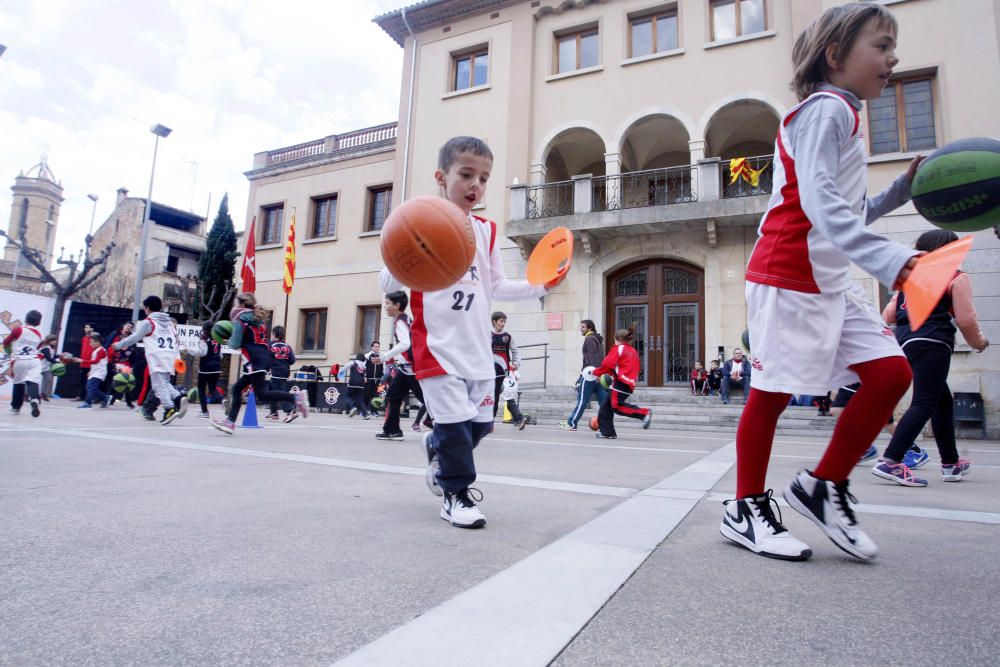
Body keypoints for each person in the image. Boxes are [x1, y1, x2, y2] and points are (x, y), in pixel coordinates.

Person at [719, 2, 923, 562]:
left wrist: (897, 196)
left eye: (891, 46)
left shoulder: (846, 116)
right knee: (771, 393)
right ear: (835, 55)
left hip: (829, 279)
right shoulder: (824, 110)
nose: (892, 57)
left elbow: (845, 212)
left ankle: (821, 485)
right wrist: (889, 260)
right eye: (880, 45)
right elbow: (818, 203)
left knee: (889, 374)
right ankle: (744, 507)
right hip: (786, 273)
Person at [379, 135, 560, 529]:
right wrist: (401, 245)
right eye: (466, 175)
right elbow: (387, 280)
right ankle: (455, 493)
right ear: (441, 177)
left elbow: (498, 285)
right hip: (437, 348)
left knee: (478, 426)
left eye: (483, 178)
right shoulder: (419, 221)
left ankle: (436, 447)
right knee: (455, 426)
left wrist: (542, 285)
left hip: (477, 351)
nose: (475, 185)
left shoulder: (487, 231)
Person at [872, 229, 990, 487]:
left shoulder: (908, 281)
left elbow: (887, 316)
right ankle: (891, 461)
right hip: (933, 343)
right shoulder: (956, 278)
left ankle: (951, 463)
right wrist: (979, 342)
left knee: (941, 401)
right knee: (924, 403)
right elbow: (967, 320)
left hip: (906, 345)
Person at [210, 293, 307, 434]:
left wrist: (224, 339)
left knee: (262, 394)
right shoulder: (258, 320)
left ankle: (296, 397)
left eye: (237, 304)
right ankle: (230, 422)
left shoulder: (241, 320)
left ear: (242, 305)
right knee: (237, 389)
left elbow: (235, 344)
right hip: (262, 358)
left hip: (254, 360)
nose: (236, 307)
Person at [113, 296, 189, 425]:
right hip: (170, 355)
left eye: (145, 308)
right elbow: (176, 340)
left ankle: (169, 409)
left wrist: (119, 345)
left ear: (147, 308)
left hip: (158, 356)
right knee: (164, 383)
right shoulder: (169, 322)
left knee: (158, 386)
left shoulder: (148, 322)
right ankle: (177, 398)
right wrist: (177, 357)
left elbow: (135, 337)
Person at [375, 290, 424, 440]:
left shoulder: (401, 321)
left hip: (411, 369)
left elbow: (405, 343)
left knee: (427, 399)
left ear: (397, 305)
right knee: (393, 396)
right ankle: (392, 430)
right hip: (405, 368)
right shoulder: (404, 319)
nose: (385, 306)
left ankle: (452, 425)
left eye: (387, 303)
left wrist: (385, 356)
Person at [592, 329, 652, 439]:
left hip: (620, 382)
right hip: (628, 383)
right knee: (606, 407)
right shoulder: (633, 351)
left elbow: (607, 364)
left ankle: (644, 413)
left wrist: (595, 372)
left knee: (616, 407)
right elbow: (619, 366)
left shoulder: (619, 348)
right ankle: (607, 432)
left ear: (617, 339)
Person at [559, 319, 607, 431]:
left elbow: (591, 359)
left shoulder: (589, 339)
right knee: (604, 401)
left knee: (582, 400)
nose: (581, 329)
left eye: (583, 327)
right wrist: (599, 374)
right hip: (597, 375)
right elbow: (599, 358)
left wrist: (584, 375)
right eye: (581, 327)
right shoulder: (597, 340)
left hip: (590, 375)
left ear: (590, 328)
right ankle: (605, 424)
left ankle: (572, 423)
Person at [3, 309, 44, 417]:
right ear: (39, 323)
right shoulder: (39, 335)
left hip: (20, 359)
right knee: (32, 381)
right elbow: (37, 348)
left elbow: (6, 342)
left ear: (26, 319)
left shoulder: (19, 330)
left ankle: (16, 407)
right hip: (34, 360)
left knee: (18, 383)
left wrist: (10, 350)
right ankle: (34, 399)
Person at [491, 311, 523, 427]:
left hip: (501, 371)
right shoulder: (487, 335)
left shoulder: (507, 337)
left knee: (494, 395)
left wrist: (516, 362)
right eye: (501, 321)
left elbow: (515, 351)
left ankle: (490, 422)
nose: (503, 324)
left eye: (504, 321)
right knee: (488, 394)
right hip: (487, 370)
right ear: (494, 322)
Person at [266, 325, 298, 422]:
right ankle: (273, 412)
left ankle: (290, 411)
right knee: (271, 390)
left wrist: (266, 368)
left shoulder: (270, 345)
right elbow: (292, 360)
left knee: (280, 393)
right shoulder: (288, 346)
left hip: (276, 372)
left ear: (274, 334)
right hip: (285, 372)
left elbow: (267, 359)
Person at [193, 321, 222, 418]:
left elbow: (203, 352)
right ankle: (223, 401)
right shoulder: (218, 338)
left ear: (205, 329)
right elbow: (221, 354)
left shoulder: (204, 338)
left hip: (205, 368)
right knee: (213, 389)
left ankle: (204, 411)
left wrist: (190, 350)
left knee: (201, 389)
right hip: (217, 367)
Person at [105, 322, 135, 408]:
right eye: (128, 326)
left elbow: (133, 353)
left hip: (125, 363)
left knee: (128, 381)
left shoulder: (132, 339)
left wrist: (132, 365)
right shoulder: (115, 334)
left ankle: (128, 402)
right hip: (114, 361)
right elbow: (108, 346)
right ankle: (109, 399)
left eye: (131, 327)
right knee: (113, 381)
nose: (129, 328)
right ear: (123, 326)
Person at [78, 332, 110, 409]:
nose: (90, 344)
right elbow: (94, 363)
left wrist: (82, 361)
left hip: (100, 372)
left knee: (91, 387)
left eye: (92, 342)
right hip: (95, 371)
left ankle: (88, 403)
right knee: (90, 387)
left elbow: (96, 361)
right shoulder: (96, 350)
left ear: (98, 342)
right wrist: (90, 371)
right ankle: (105, 397)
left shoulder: (101, 350)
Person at [344, 354, 371, 419]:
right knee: (360, 400)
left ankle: (353, 407)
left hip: (353, 383)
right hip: (361, 384)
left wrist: (340, 372)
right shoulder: (364, 366)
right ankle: (366, 414)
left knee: (347, 396)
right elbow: (365, 375)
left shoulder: (354, 362)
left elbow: (345, 366)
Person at [73, 323, 95, 401]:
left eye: (87, 327)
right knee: (82, 380)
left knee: (91, 381)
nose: (85, 329)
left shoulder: (95, 339)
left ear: (92, 329)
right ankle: (81, 395)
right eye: (85, 327)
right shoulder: (84, 338)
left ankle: (90, 397)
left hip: (91, 363)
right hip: (83, 363)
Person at [364, 341, 384, 415]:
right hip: (369, 379)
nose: (377, 348)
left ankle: (374, 411)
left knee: (377, 396)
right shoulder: (367, 356)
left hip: (379, 380)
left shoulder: (381, 355)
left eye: (378, 346)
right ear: (372, 347)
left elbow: (383, 367)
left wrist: (382, 378)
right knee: (366, 395)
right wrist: (364, 376)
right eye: (375, 346)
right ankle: (364, 411)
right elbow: (363, 367)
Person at [37, 334, 58, 401]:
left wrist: (61, 355)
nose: (55, 342)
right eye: (53, 340)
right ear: (49, 341)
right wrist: (59, 363)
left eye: (55, 340)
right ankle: (26, 394)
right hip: (37, 366)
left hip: (45, 367)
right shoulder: (45, 348)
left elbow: (53, 356)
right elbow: (49, 358)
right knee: (32, 381)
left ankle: (43, 394)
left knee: (48, 380)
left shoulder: (51, 348)